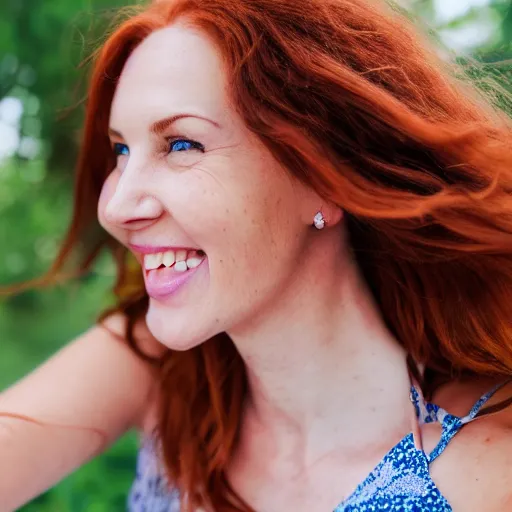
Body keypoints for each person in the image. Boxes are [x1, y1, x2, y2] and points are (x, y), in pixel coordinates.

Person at [1, 0, 512, 510]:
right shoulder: (165, 370)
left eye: (181, 145)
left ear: (322, 177)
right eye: (121, 151)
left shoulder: (483, 475)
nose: (116, 207)